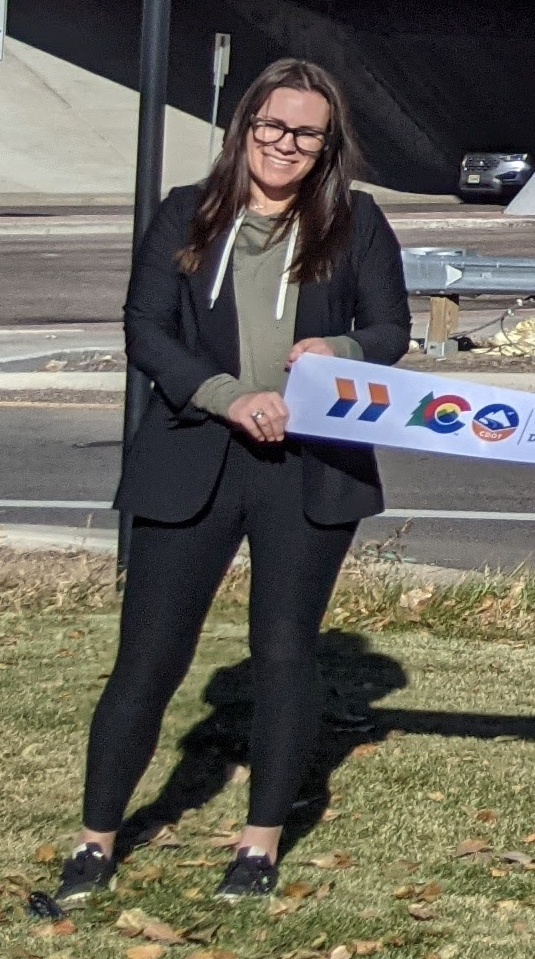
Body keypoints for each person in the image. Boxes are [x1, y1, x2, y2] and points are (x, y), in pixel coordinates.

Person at [40, 58, 410, 914]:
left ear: (327, 147)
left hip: (309, 466)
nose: (285, 145)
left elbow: (390, 329)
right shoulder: (186, 212)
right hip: (193, 455)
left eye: (306, 134)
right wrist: (227, 397)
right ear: (245, 128)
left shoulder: (356, 225)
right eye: (272, 127)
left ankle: (259, 844)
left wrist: (341, 352)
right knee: (148, 660)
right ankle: (95, 841)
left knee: (284, 654)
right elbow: (146, 329)